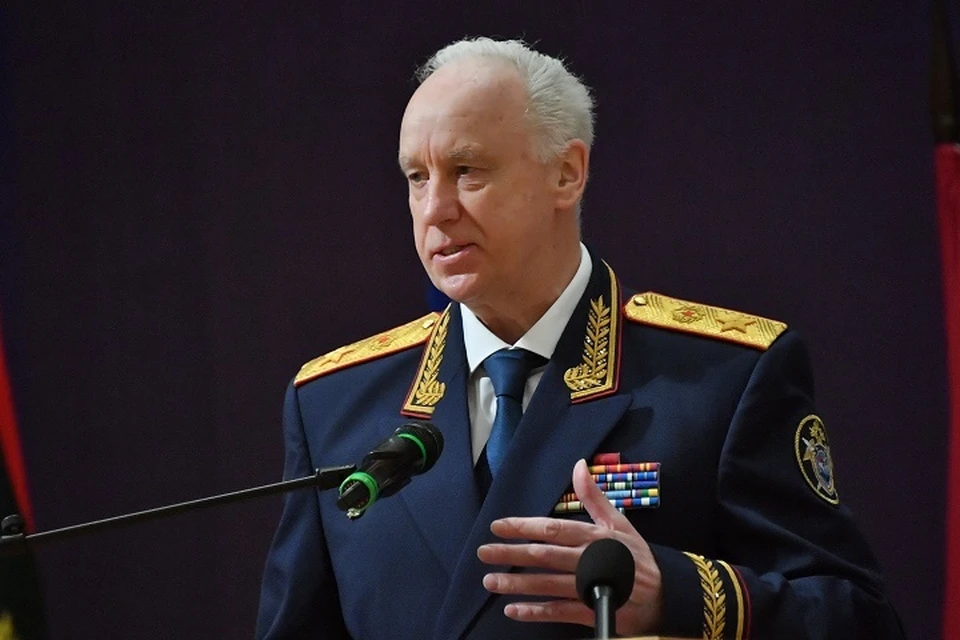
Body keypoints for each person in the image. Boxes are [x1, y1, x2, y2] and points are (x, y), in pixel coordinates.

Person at [256, 37, 903, 639]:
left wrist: (674, 593)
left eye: (467, 170)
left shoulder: (721, 379)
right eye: (416, 178)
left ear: (566, 173)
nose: (435, 209)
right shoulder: (336, 404)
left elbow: (857, 618)